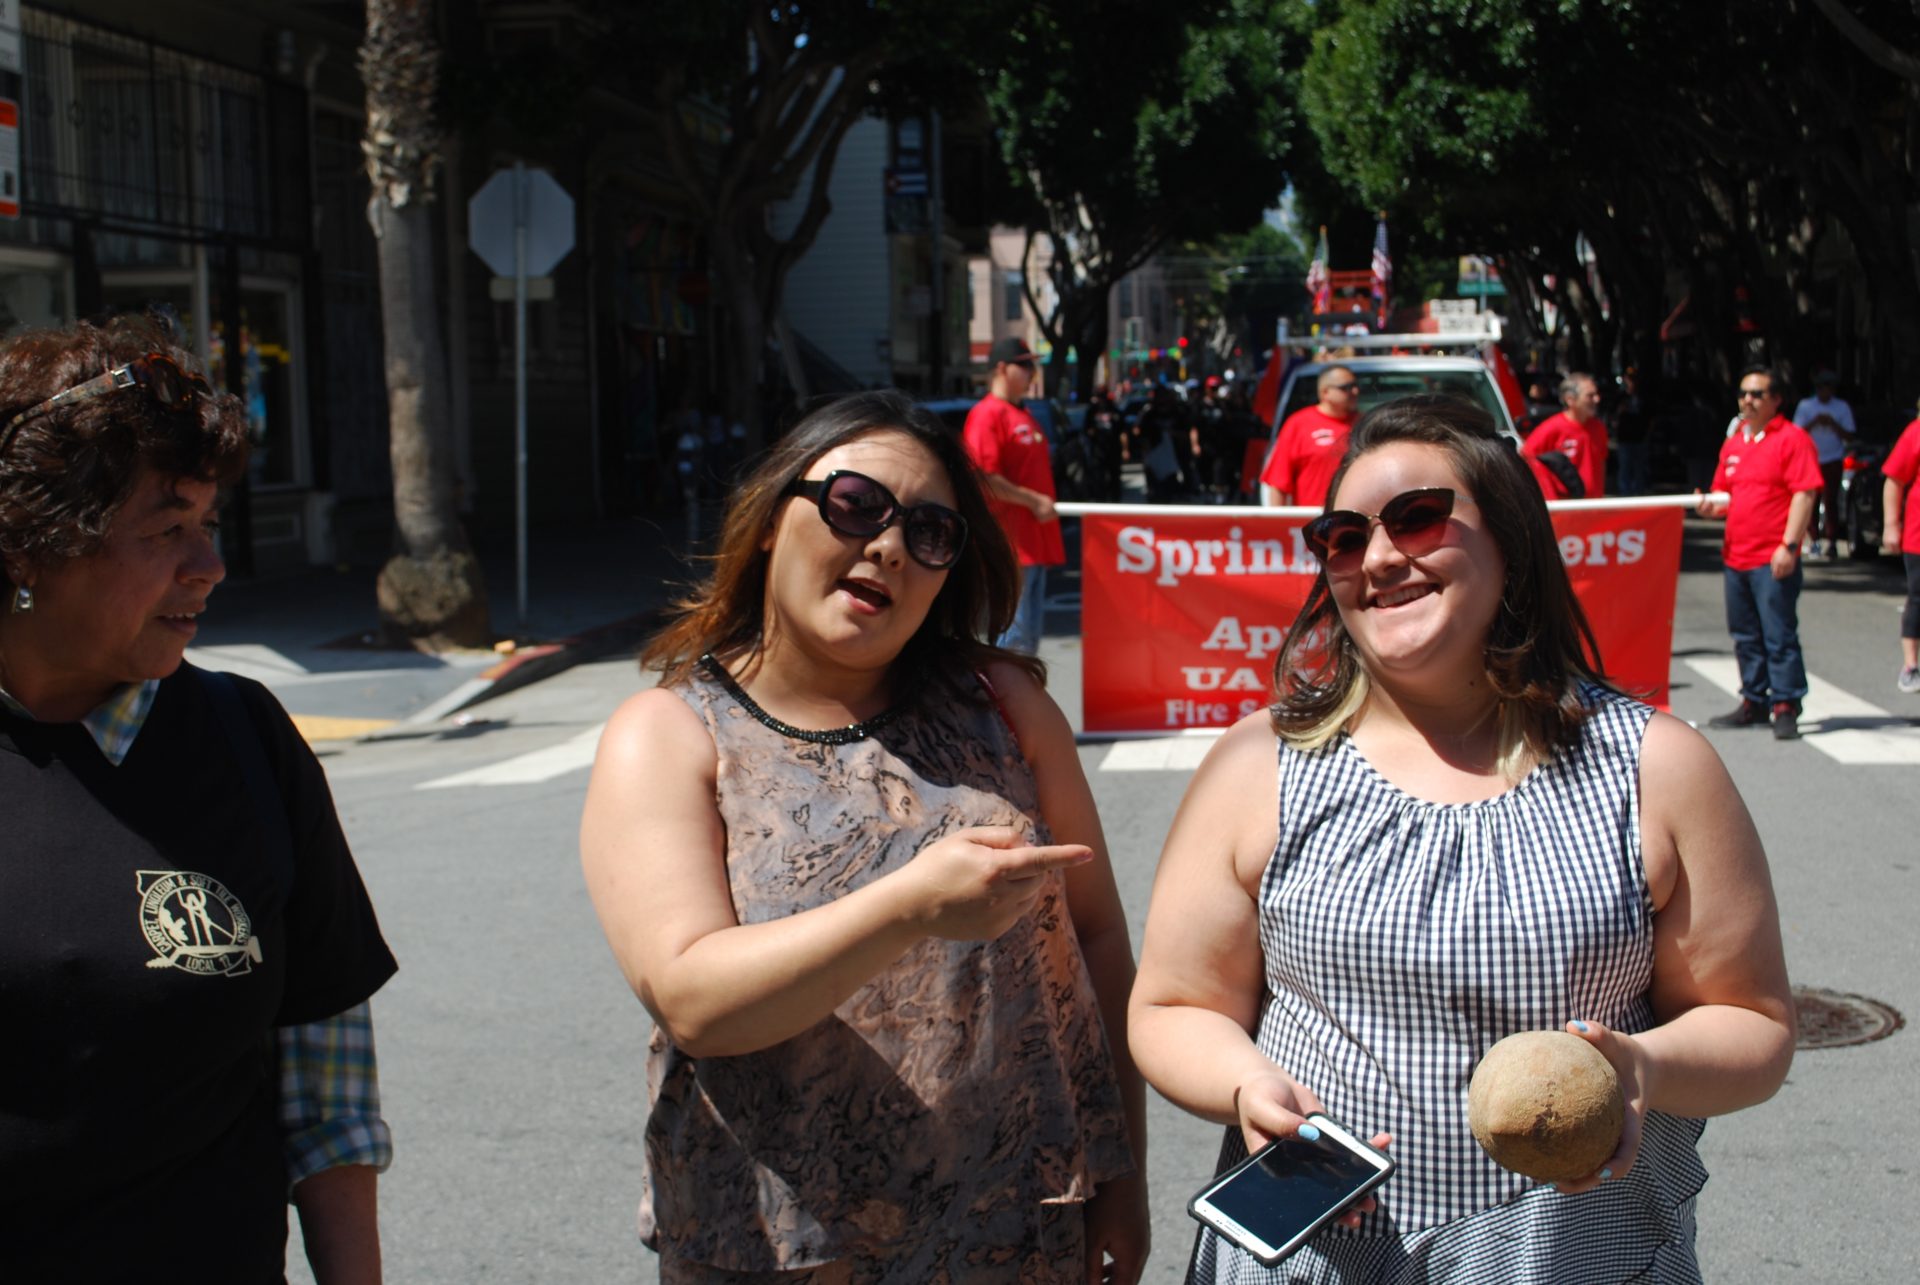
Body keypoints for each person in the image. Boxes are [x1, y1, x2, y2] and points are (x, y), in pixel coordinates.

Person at [1129, 393, 1795, 1283]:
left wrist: (1645, 1065)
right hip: (1315, 1254)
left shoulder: (1658, 766)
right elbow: (1173, 1005)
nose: (1377, 557)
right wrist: (1246, 1085)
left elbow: (1754, 1022)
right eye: (1341, 535)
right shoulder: (1258, 764)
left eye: (1417, 518)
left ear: (1511, 538)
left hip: (1573, 1256)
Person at [580, 390, 1149, 1283]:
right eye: (855, 505)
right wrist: (912, 906)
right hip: (778, 1250)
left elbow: (1099, 940)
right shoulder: (668, 734)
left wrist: (1123, 1172)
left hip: (1015, 1233)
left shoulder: (1006, 708)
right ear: (773, 519)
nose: (888, 544)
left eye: (930, 533)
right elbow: (694, 998)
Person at [0, 317, 397, 1280]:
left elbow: (324, 1072)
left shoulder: (245, 736)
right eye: (166, 529)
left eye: (210, 524)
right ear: (29, 549)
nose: (209, 567)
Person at [1698, 367, 1823, 740]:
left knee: (1778, 634)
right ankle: (1754, 699)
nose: (1747, 401)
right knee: (1745, 634)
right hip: (1736, 554)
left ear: (1776, 400)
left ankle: (1785, 703)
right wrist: (1709, 506)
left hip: (1771, 556)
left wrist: (1789, 545)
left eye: (1756, 394)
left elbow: (1805, 493)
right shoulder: (1735, 441)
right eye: (1743, 393)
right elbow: (1724, 494)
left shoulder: (1792, 439)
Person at [962, 336, 1061, 654]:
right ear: (1002, 368)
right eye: (1025, 365)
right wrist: (1033, 501)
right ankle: (1004, 705)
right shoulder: (987, 414)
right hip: (1010, 544)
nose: (1032, 372)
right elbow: (983, 476)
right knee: (1012, 643)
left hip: (1033, 543)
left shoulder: (1025, 413)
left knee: (1027, 642)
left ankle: (1018, 702)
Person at [1260, 365, 1360, 507]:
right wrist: (1279, 525)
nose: (1355, 391)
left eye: (1355, 385)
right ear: (1325, 392)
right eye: (1346, 387)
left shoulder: (1364, 424)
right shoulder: (1299, 424)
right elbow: (1279, 483)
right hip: (1312, 521)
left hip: (1355, 520)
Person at [1790, 369, 1856, 560]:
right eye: (1819, 387)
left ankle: (1832, 540)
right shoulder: (1806, 406)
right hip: (1810, 458)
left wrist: (1833, 424)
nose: (1823, 391)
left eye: (1827, 387)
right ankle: (1813, 540)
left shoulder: (1841, 407)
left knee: (1831, 500)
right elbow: (1796, 433)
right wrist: (1814, 422)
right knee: (1810, 500)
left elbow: (1850, 434)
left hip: (1832, 458)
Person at [1880, 406, 1920, 693]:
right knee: (1918, 598)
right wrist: (1891, 524)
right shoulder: (1916, 432)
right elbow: (1894, 480)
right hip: (1918, 536)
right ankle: (1911, 665)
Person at [1521, 372, 1608, 499]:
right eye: (1590, 395)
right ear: (1570, 400)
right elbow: (1526, 457)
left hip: (1593, 507)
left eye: (1596, 394)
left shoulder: (1599, 428)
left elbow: (1601, 463)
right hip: (1563, 508)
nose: (1597, 399)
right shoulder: (1551, 428)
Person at [1613, 366, 1654, 496]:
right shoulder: (1620, 397)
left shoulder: (1644, 397)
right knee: (1624, 467)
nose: (1630, 382)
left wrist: (1648, 434)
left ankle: (1639, 493)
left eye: (1632, 380)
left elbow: (1651, 417)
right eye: (1628, 379)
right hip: (1624, 438)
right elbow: (1613, 416)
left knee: (1639, 468)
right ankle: (1625, 494)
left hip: (1639, 437)